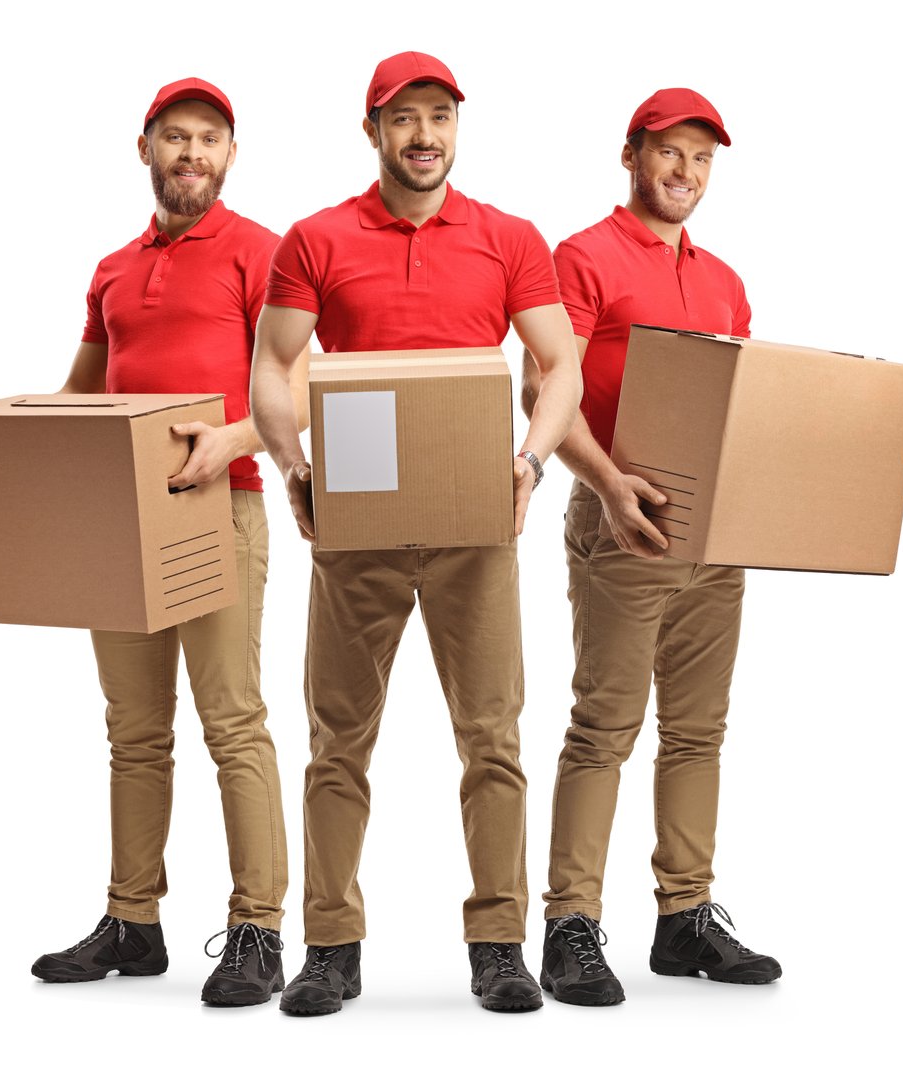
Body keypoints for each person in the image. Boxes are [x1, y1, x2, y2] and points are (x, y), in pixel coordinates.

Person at [248, 51, 583, 1015]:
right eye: (403, 118)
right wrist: (293, 467)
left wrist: (530, 463)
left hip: (475, 521)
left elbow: (559, 364)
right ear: (373, 132)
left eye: (439, 116)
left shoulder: (509, 238)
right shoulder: (316, 238)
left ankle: (498, 945)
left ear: (456, 127)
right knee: (337, 741)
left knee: (493, 738)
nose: (424, 135)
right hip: (357, 523)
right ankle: (331, 947)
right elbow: (272, 364)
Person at [30, 77, 309, 1008]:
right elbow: (82, 395)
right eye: (176, 137)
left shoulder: (262, 253)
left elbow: (303, 384)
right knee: (135, 732)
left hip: (217, 508)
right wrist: (11, 452)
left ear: (230, 155)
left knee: (232, 721)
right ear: (145, 147)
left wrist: (231, 440)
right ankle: (132, 921)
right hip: (120, 519)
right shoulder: (113, 269)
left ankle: (258, 930)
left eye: (209, 139)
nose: (192, 153)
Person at [522, 88, 782, 1006]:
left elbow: (739, 405)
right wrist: (606, 485)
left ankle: (685, 918)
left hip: (715, 531)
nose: (686, 172)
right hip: (620, 522)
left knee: (699, 731)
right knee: (605, 727)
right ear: (631, 155)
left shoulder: (725, 281)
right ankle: (570, 926)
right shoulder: (583, 257)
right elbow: (541, 392)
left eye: (702, 158)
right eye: (670, 152)